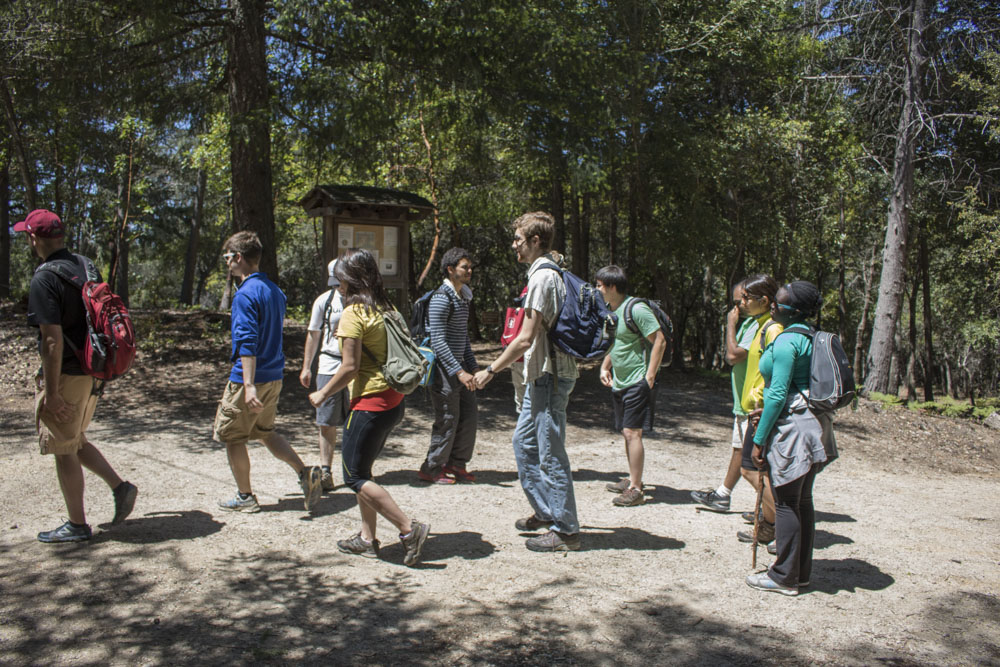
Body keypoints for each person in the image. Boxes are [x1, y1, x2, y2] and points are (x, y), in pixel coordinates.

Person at [17, 208, 137, 543]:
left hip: (69, 372)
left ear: (33, 237)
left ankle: (77, 525)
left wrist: (52, 393)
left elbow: (51, 341)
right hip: (96, 367)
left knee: (63, 448)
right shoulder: (86, 264)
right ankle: (120, 487)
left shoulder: (44, 278)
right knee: (74, 439)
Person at [309, 249, 430, 566]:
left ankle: (408, 529)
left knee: (353, 476)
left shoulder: (353, 312)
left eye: (340, 279)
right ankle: (366, 537)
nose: (337, 285)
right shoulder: (386, 307)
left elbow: (349, 367)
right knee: (364, 470)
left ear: (349, 279)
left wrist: (322, 394)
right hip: (393, 401)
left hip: (369, 404)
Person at [474, 212, 580, 552]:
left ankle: (566, 531)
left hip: (549, 375)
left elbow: (523, 339)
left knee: (550, 453)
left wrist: (489, 371)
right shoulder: (547, 273)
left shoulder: (543, 279)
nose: (514, 245)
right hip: (541, 375)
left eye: (519, 239)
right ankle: (547, 511)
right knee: (524, 444)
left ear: (536, 241)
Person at [213, 231, 322, 513]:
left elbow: (247, 342)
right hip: (274, 375)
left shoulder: (245, 295)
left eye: (228, 257)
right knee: (266, 431)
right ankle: (304, 473)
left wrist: (247, 385)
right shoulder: (275, 291)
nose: (227, 263)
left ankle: (245, 497)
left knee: (233, 436)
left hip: (249, 378)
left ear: (238, 257)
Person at [746, 281, 836, 596]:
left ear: (793, 310)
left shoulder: (787, 342)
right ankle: (800, 574)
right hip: (816, 425)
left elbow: (776, 395)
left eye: (779, 302)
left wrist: (759, 438)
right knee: (803, 501)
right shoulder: (812, 338)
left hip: (794, 429)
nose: (773, 304)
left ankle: (783, 576)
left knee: (785, 501)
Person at [594, 265, 667, 507]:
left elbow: (659, 341)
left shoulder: (636, 309)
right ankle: (632, 479)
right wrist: (605, 366)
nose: (597, 289)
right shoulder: (613, 311)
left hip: (637, 380)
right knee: (627, 432)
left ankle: (636, 488)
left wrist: (649, 376)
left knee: (632, 432)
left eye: (600, 285)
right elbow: (617, 344)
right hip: (621, 381)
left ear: (612, 287)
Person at [690, 279, 759, 511]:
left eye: (741, 302)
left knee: (751, 464)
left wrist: (730, 324)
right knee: (740, 449)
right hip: (743, 401)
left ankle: (774, 510)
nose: (737, 308)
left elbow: (732, 355)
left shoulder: (760, 325)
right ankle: (723, 494)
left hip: (753, 403)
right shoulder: (750, 323)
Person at [418, 247, 480, 484]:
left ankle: (457, 464)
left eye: (470, 267)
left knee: (469, 415)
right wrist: (459, 371)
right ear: (450, 269)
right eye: (465, 267)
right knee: (447, 417)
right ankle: (431, 467)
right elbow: (438, 342)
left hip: (461, 367)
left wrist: (472, 366)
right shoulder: (441, 298)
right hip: (445, 370)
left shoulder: (463, 296)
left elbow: (462, 336)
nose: (469, 271)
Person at [300, 259, 351, 492]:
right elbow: (314, 333)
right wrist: (306, 366)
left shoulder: (363, 300)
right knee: (326, 421)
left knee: (357, 418)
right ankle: (326, 470)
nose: (340, 286)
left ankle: (355, 468)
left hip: (357, 366)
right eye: (336, 281)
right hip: (329, 364)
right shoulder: (325, 301)